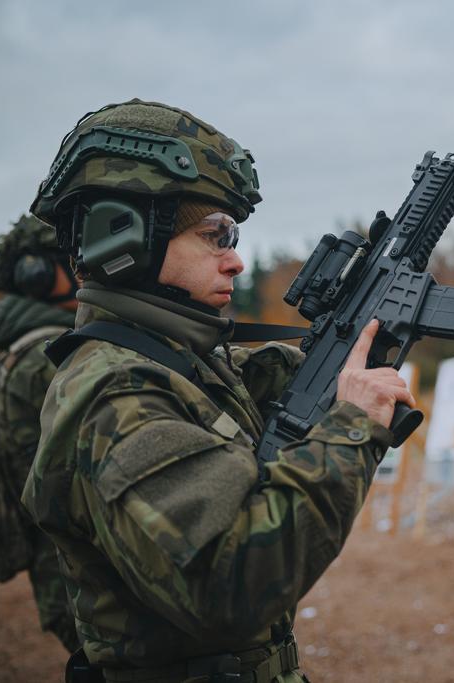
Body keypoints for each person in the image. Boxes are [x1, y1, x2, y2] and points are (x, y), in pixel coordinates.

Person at [22, 99, 412, 682]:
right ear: (122, 235)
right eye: (214, 235)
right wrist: (353, 424)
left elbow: (270, 379)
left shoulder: (180, 363)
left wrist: (364, 333)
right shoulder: (116, 394)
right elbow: (234, 583)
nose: (235, 261)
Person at [0, 215, 81, 652]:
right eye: (70, 259)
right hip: (75, 580)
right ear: (36, 275)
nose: (83, 267)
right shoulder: (47, 358)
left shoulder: (19, 356)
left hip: (58, 579)